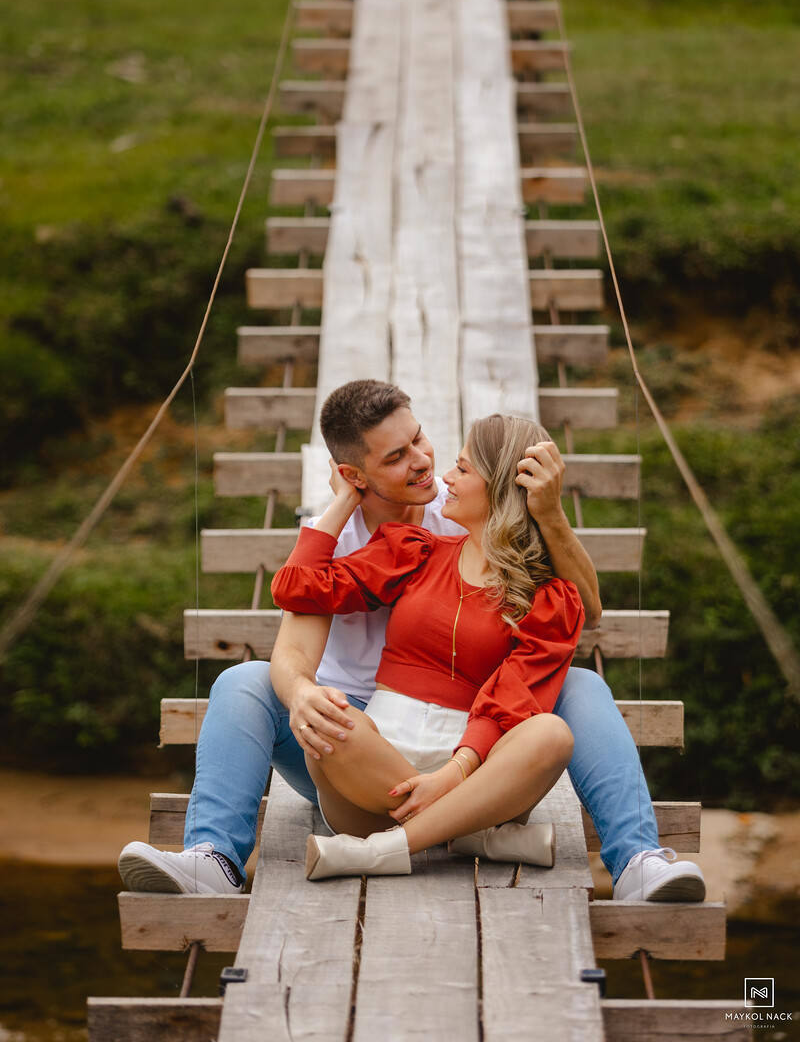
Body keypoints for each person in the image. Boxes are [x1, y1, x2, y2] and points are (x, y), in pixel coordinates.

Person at [118, 380, 704, 900]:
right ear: (354, 474)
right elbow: (293, 646)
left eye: (421, 440)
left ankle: (636, 861)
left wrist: (549, 514)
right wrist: (302, 698)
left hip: (470, 729)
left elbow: (583, 611)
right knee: (243, 681)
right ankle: (215, 859)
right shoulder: (339, 539)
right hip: (355, 737)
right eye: (397, 457)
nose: (426, 463)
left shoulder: (462, 514)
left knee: (578, 685)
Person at [270, 411, 582, 879]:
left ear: (497, 486)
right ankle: (466, 833)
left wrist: (454, 774)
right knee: (327, 718)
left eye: (463, 469)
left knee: (551, 734)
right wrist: (340, 505)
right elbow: (298, 587)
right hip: (374, 787)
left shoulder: (549, 598)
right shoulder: (412, 550)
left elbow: (513, 696)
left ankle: (383, 852)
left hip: (475, 773)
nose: (445, 478)